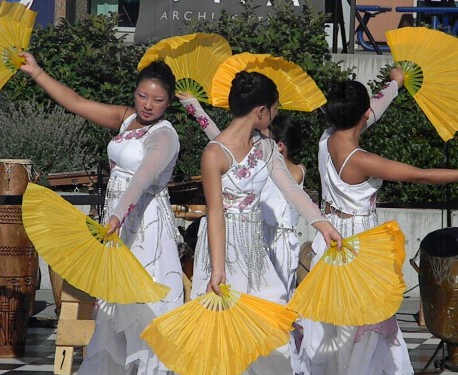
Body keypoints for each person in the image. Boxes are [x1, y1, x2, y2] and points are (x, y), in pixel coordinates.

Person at [20, 53, 183, 374]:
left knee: (145, 308)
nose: (148, 104)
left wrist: (118, 215)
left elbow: (143, 177)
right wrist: (37, 71)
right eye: (142, 96)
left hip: (144, 226)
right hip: (115, 223)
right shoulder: (126, 119)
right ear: (134, 92)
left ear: (168, 103)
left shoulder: (164, 135)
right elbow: (77, 102)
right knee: (113, 311)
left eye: (157, 99)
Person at [298, 67, 458, 375]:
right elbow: (419, 175)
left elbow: (374, 110)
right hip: (358, 246)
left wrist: (394, 84)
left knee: (334, 323)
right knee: (363, 321)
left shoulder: (327, 138)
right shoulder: (360, 160)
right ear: (363, 113)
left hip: (329, 239)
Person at [187, 71, 342, 374]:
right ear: (261, 111)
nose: (277, 113)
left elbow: (289, 188)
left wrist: (322, 224)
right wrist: (218, 269)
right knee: (224, 333)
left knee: (273, 319)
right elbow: (215, 213)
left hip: (254, 248)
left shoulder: (266, 147)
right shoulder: (214, 153)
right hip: (222, 246)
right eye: (275, 108)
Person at [177, 93, 308, 299]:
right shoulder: (252, 157)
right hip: (252, 235)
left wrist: (322, 224)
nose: (256, 134)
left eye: (265, 131)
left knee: (274, 300)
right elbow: (221, 142)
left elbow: (292, 191)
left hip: (277, 240)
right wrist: (195, 109)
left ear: (280, 145)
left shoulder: (275, 160)